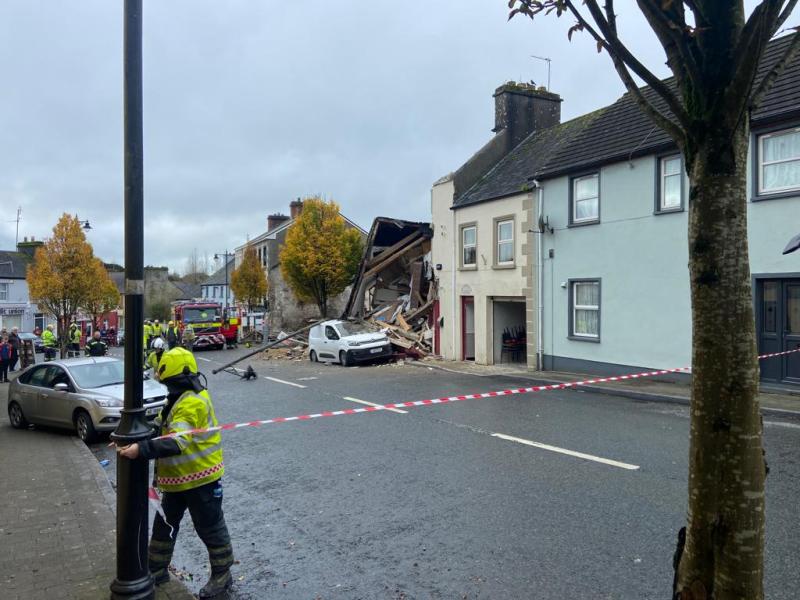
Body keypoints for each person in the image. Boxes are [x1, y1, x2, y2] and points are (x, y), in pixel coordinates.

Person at [116, 348, 233, 598]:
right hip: (178, 481)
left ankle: (222, 575)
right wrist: (133, 437)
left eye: (169, 383)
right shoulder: (176, 400)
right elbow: (159, 427)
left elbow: (176, 442)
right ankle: (156, 569)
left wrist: (141, 450)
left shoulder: (192, 402)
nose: (167, 387)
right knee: (164, 526)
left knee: (210, 528)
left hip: (201, 479)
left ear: (180, 379)